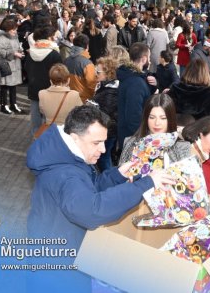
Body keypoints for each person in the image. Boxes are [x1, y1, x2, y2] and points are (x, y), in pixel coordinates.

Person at [26, 106, 176, 268]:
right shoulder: (67, 175)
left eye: (104, 142)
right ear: (75, 138)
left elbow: (87, 191)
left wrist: (116, 176)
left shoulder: (66, 157)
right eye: (96, 143)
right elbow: (92, 209)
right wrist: (146, 184)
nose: (103, 149)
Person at [117, 42, 156, 152]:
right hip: (134, 141)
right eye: (149, 57)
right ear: (144, 59)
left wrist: (152, 86)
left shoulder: (132, 76)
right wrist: (143, 139)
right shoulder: (136, 82)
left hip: (129, 137)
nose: (150, 60)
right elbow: (133, 116)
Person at [25, 26, 63, 136]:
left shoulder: (31, 53)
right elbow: (59, 74)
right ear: (50, 38)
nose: (56, 39)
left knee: (35, 121)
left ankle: (36, 142)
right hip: (50, 91)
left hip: (34, 90)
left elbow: (27, 68)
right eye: (55, 37)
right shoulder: (54, 54)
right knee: (49, 120)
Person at [91, 56, 121, 171]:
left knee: (104, 157)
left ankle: (108, 180)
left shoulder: (111, 91)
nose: (95, 74)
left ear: (108, 73)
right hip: (107, 129)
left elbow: (105, 113)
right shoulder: (106, 86)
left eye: (98, 72)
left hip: (108, 131)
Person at [0, 16, 24, 114]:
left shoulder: (15, 37)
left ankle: (13, 103)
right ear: (7, 30)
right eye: (13, 30)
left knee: (13, 85)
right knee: (5, 86)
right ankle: (4, 105)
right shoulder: (2, 38)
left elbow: (16, 47)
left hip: (15, 64)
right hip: (7, 66)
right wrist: (13, 53)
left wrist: (20, 51)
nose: (15, 31)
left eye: (15, 30)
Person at [64, 33, 97, 102]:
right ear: (87, 46)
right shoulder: (87, 64)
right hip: (83, 99)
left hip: (68, 97)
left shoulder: (66, 60)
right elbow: (92, 85)